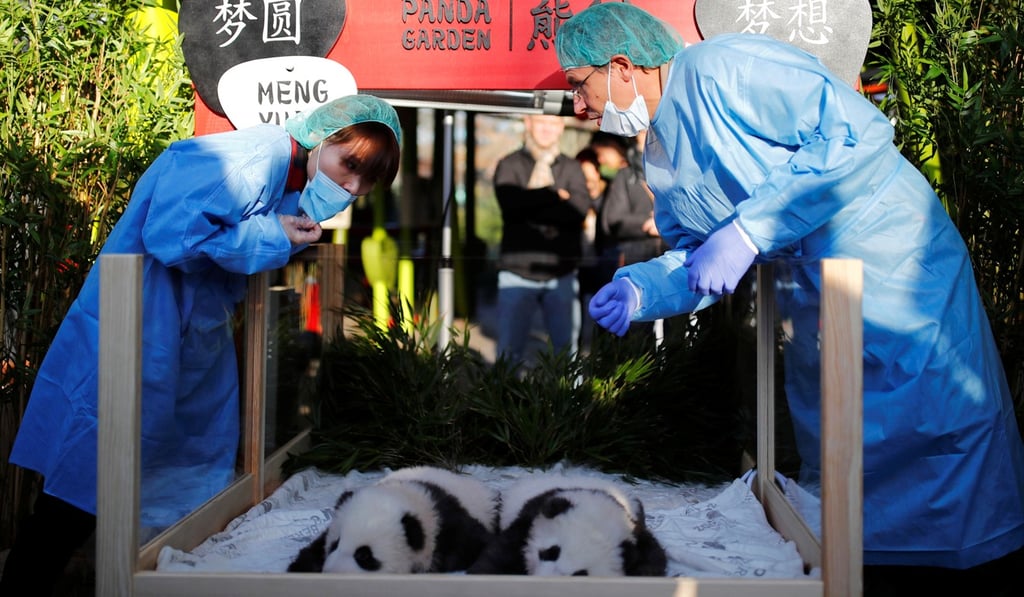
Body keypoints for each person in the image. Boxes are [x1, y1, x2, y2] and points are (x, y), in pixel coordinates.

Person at [556, 2, 1024, 594]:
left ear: (622, 65)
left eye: (579, 85)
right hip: (816, 306)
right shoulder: (661, 150)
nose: (577, 105)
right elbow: (697, 255)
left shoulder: (723, 65)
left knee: (944, 439)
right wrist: (641, 289)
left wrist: (752, 228)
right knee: (852, 494)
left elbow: (856, 131)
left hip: (898, 272)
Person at [0, 94, 401, 596]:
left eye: (368, 182)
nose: (353, 187)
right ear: (322, 136)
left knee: (168, 491)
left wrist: (277, 234)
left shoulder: (288, 179)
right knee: (84, 489)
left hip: (185, 344)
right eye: (351, 166)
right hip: (137, 328)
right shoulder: (252, 157)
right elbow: (170, 234)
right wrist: (272, 232)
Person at [493, 114, 590, 367]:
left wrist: (530, 202)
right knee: (508, 354)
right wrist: (556, 195)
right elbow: (510, 206)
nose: (547, 129)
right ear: (528, 123)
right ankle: (504, 404)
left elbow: (578, 210)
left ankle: (570, 404)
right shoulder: (509, 164)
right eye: (541, 123)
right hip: (516, 273)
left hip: (562, 274)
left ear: (561, 128)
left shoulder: (572, 167)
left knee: (567, 356)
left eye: (553, 124)